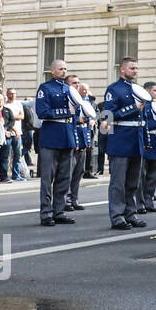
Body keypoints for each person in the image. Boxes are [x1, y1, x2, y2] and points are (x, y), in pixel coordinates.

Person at [102, 57, 149, 230]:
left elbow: (142, 119)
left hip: (136, 140)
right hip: (120, 140)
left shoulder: (138, 90)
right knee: (118, 182)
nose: (135, 71)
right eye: (132, 68)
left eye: (136, 68)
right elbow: (107, 117)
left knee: (133, 182)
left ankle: (130, 213)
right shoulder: (114, 89)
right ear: (122, 70)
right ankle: (117, 216)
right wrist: (132, 108)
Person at [34, 62, 79, 226]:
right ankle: (46, 213)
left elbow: (74, 117)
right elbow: (42, 112)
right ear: (52, 71)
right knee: (48, 178)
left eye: (65, 69)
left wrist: (75, 138)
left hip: (67, 137)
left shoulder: (69, 89)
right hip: (51, 137)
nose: (64, 71)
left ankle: (59, 211)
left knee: (64, 177)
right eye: (60, 69)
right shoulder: (45, 88)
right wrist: (67, 112)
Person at [64, 75, 92, 212]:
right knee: (68, 172)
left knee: (79, 172)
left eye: (78, 83)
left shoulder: (82, 100)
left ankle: (74, 199)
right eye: (74, 83)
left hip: (82, 138)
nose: (77, 85)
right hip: (73, 139)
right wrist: (78, 119)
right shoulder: (67, 99)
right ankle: (66, 200)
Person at [137, 81, 156, 214]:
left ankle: (149, 201)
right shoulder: (143, 105)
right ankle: (140, 203)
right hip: (147, 143)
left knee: (153, 176)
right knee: (142, 176)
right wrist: (155, 123)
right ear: (147, 91)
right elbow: (143, 123)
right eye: (154, 90)